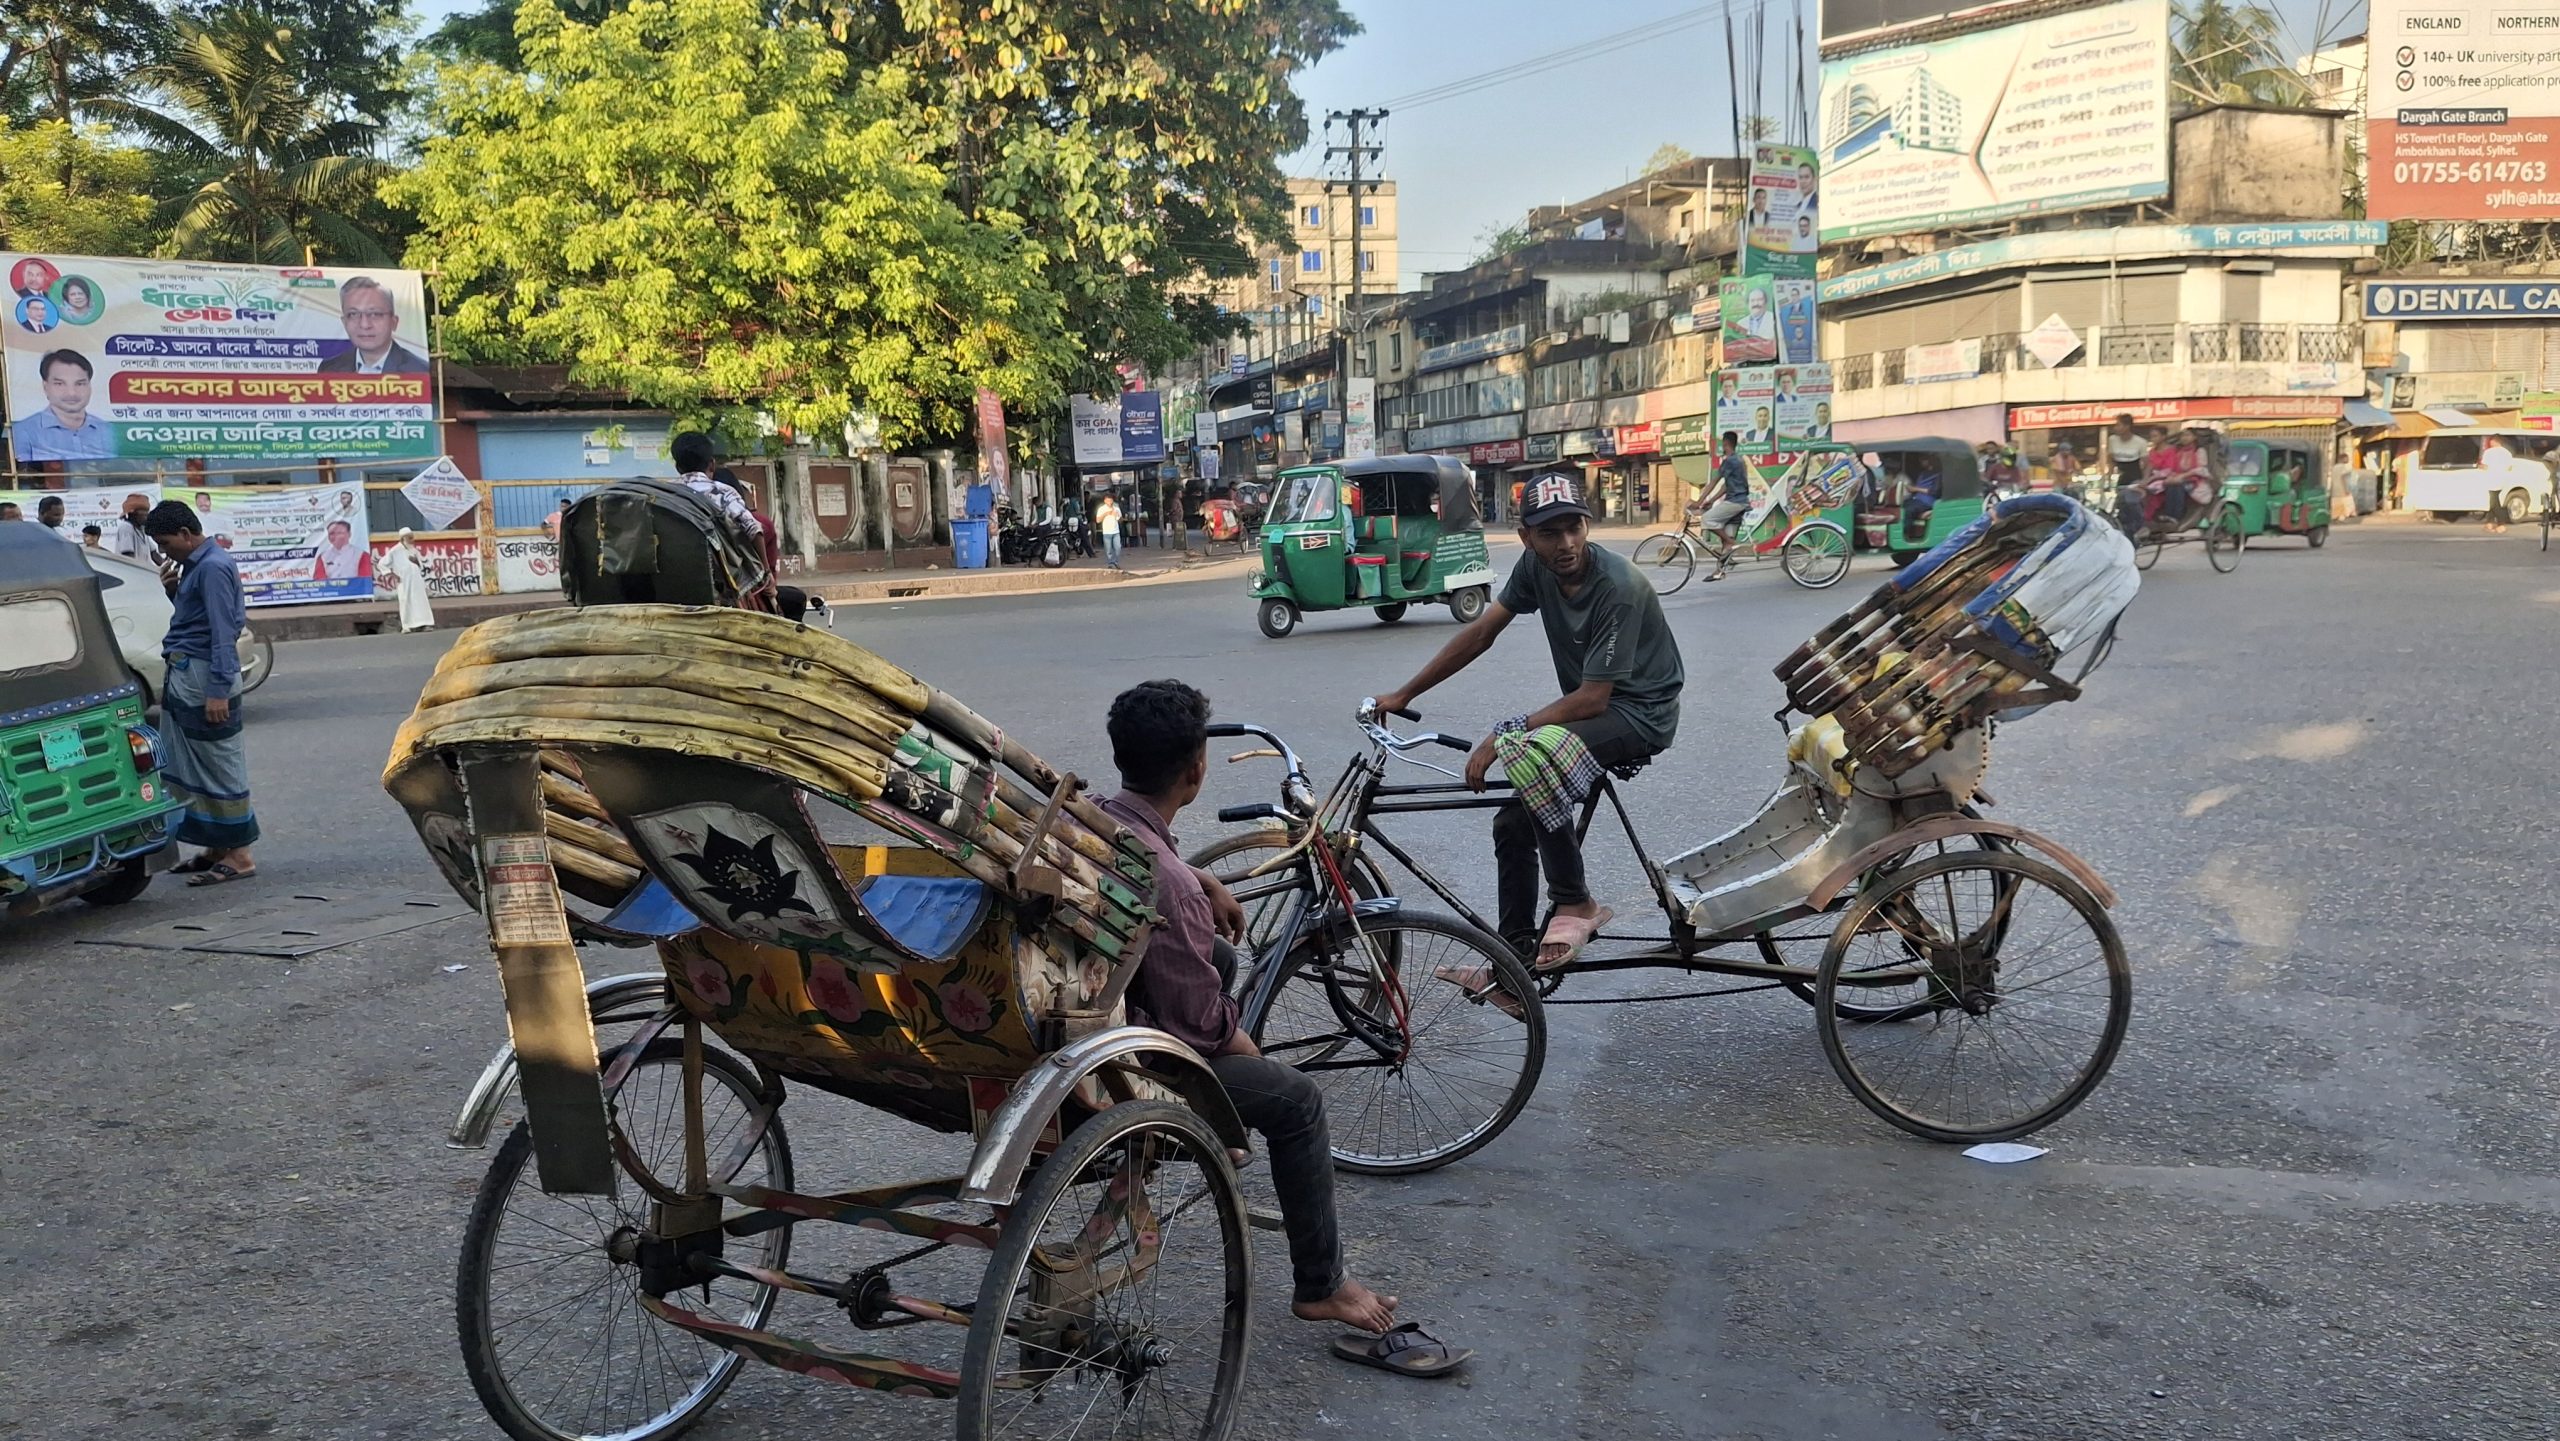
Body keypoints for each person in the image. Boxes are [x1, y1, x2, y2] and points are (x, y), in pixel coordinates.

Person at [1097, 680, 1468, 1375]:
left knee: (1220, 952)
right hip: (1137, 1050)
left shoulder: (1096, 814)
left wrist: (1202, 882)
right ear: (1197, 769)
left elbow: (1168, 880)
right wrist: (1246, 1048)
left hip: (1113, 987)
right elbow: (1201, 1026)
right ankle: (1321, 1285)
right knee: (1295, 1100)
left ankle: (1230, 1118)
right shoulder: (1169, 885)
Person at [1372, 470, 1683, 971]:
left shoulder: (1618, 586)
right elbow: (1480, 634)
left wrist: (1507, 732)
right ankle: (1513, 963)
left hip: (1640, 712)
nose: (1566, 544)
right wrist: (1405, 692)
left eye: (1574, 528)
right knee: (1512, 821)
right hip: (1597, 704)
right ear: (1526, 538)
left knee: (1533, 756)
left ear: (1587, 526)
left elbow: (1593, 699)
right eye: (1549, 533)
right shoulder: (1534, 569)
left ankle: (1575, 899)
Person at [143, 501, 259, 887]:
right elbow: (194, 621)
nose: (165, 551)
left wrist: (218, 691)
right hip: (186, 672)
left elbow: (222, 633)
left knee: (218, 765)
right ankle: (215, 847)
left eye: (166, 542)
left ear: (187, 534)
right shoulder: (196, 567)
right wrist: (174, 591)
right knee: (190, 764)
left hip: (206, 676)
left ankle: (239, 854)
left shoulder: (212, 567)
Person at [9, 349, 114, 461]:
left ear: (90, 386)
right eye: (59, 384)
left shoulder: (107, 430)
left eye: (80, 384)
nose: (71, 393)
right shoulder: (23, 431)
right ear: (45, 387)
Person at [317, 276, 428, 373]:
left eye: (375, 314)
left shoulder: (418, 370)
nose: (365, 325)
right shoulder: (329, 369)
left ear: (394, 322)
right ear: (344, 322)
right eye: (353, 314)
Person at [668, 431, 763, 541]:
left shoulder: (665, 493)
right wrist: (761, 559)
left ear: (677, 467)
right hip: (716, 557)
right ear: (712, 465)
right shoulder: (723, 492)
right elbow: (753, 529)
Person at [1700, 431, 1753, 579]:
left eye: (1722, 443)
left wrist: (1699, 501)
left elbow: (1714, 481)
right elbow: (1726, 486)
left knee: (1706, 519)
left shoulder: (1729, 461)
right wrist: (1712, 499)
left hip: (1735, 502)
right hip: (1741, 502)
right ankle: (1719, 572)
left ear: (1725, 443)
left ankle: (1731, 541)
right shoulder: (1740, 460)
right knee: (1726, 541)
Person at [378, 526, 437, 632]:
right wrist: (393, 575)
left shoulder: (413, 549)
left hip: (417, 580)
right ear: (403, 539)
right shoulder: (395, 551)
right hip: (404, 581)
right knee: (406, 602)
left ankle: (426, 623)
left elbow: (421, 565)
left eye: (412, 537)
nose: (412, 540)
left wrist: (416, 561)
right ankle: (407, 626)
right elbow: (382, 564)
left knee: (421, 601)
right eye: (409, 538)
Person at [110, 492, 158, 561]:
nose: (147, 517)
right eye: (144, 514)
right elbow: (128, 555)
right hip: (132, 570)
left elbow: (154, 553)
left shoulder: (141, 529)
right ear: (134, 514)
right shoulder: (126, 527)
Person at [1095, 492, 1124, 569]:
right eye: (1108, 500)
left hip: (1116, 531)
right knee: (1108, 549)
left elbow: (1121, 520)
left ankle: (1116, 561)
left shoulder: (1116, 508)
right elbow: (1098, 520)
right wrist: (1106, 514)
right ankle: (1110, 563)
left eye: (1111, 500)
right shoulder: (1101, 509)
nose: (1110, 502)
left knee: (1118, 547)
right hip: (1107, 532)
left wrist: (1117, 515)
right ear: (1105, 501)